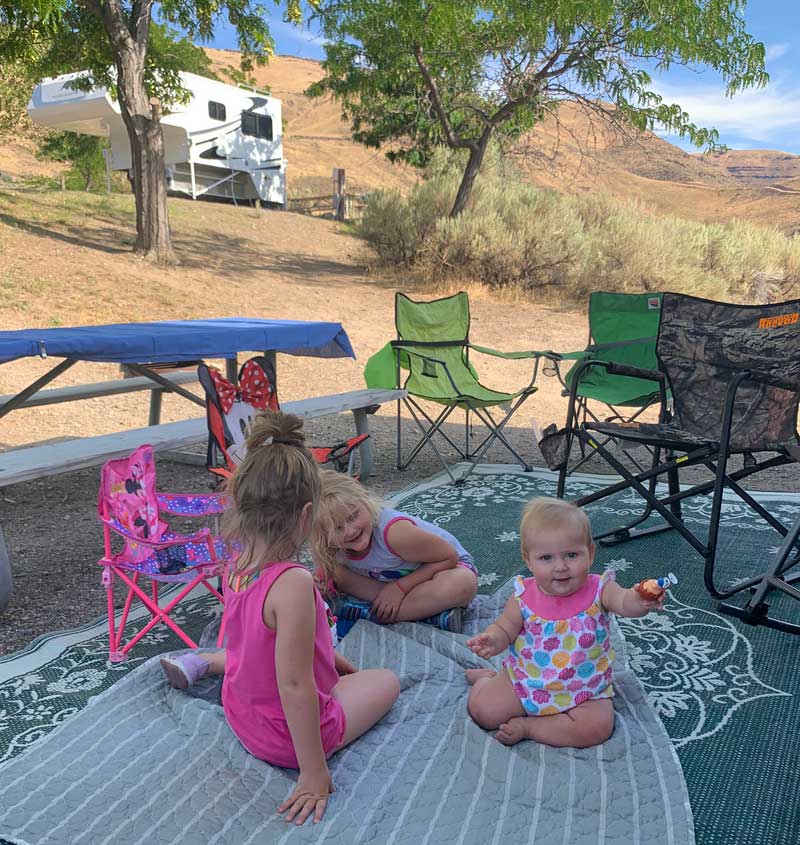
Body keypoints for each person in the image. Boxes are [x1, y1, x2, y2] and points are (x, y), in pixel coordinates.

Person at [161, 410, 400, 827]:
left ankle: (201, 662)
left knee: (331, 672)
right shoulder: (291, 582)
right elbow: (294, 685)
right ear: (307, 515)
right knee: (386, 681)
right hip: (284, 739)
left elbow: (255, 647)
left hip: (242, 714)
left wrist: (329, 662)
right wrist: (312, 771)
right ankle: (310, 754)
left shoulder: (236, 562)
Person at [465, 497, 665, 749]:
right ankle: (488, 678)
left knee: (597, 728)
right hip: (528, 681)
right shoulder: (523, 596)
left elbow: (625, 603)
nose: (560, 567)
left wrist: (640, 598)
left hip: (585, 689)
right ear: (528, 560)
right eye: (546, 558)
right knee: (484, 711)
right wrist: (493, 639)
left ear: (590, 553)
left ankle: (531, 727)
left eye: (571, 555)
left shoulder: (600, 589)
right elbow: (505, 627)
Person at [313, 469, 478, 633]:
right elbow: (327, 572)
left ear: (364, 501)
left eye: (353, 516)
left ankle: (366, 613)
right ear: (321, 533)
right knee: (334, 574)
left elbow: (449, 557)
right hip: (389, 583)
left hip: (444, 568)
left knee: (461, 583)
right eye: (338, 528)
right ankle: (434, 617)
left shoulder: (395, 533)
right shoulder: (327, 545)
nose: (350, 531)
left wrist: (399, 588)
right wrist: (323, 582)